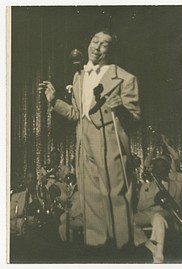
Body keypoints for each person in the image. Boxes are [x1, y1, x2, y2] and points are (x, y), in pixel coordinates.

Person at [39, 28, 140, 249]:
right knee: (90, 196)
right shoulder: (79, 77)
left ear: (111, 51)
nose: (96, 47)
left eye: (103, 44)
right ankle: (97, 249)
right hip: (84, 143)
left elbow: (134, 121)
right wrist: (54, 101)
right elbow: (77, 113)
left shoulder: (125, 78)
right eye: (95, 41)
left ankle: (123, 250)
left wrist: (120, 108)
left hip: (110, 145)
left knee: (116, 196)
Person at [133, 158, 182, 263]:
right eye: (157, 167)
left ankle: (159, 256)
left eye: (162, 167)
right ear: (154, 170)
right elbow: (140, 207)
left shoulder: (178, 185)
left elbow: (180, 207)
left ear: (168, 169)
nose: (159, 170)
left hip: (167, 213)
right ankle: (151, 246)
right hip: (148, 213)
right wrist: (154, 199)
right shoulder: (146, 186)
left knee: (158, 217)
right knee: (128, 219)